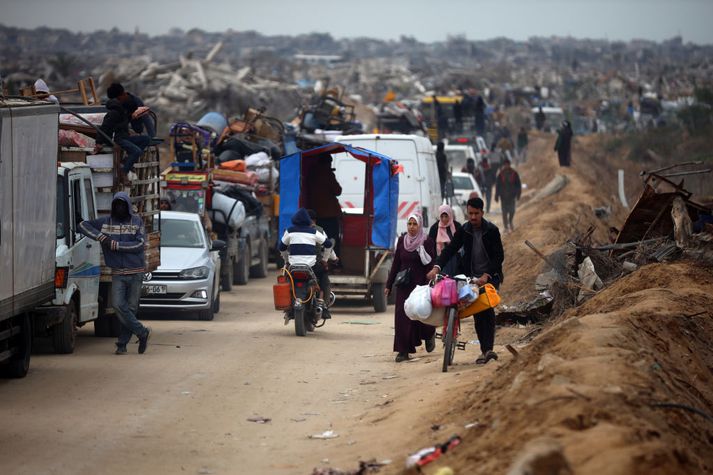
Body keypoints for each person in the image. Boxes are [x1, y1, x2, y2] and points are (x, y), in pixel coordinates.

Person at [427, 197, 504, 365]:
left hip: (489, 277)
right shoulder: (464, 230)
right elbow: (451, 249)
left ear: (482, 213)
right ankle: (485, 350)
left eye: (476, 213)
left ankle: (488, 349)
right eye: (470, 214)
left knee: (487, 310)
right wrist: (437, 267)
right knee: (478, 313)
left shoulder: (492, 231)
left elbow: (499, 257)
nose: (473, 217)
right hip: (470, 277)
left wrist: (487, 275)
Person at [78, 192, 151, 355]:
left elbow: (139, 245)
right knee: (118, 306)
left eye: (122, 205)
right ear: (113, 206)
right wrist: (101, 237)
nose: (119, 207)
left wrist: (116, 245)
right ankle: (142, 331)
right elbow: (82, 226)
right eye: (116, 205)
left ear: (127, 206)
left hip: (136, 272)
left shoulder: (137, 222)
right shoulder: (105, 222)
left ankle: (122, 344)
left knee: (130, 309)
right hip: (118, 272)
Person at [385, 213, 436, 362]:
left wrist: (430, 282)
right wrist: (389, 284)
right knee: (402, 317)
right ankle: (403, 351)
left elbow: (431, 263)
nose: (412, 227)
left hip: (420, 284)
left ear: (419, 225)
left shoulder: (427, 242)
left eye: (415, 224)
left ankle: (429, 334)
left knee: (420, 315)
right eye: (410, 224)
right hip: (404, 285)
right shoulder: (402, 241)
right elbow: (395, 264)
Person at [279, 208, 335, 315]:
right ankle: (324, 305)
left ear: (294, 220)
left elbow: (281, 248)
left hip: (293, 267)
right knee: (324, 279)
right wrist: (324, 260)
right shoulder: (314, 232)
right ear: (309, 221)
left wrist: (286, 261)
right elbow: (328, 244)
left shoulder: (289, 231)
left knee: (287, 281)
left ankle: (288, 305)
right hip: (311, 267)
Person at [95, 97, 150, 184]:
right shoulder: (114, 114)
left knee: (146, 139)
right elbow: (103, 128)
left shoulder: (125, 113)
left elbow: (138, 129)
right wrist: (99, 142)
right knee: (137, 151)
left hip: (124, 137)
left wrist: (137, 119)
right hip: (116, 139)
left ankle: (127, 160)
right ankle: (123, 173)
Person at [305, 157, 343, 258]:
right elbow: (338, 190)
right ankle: (334, 263)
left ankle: (319, 259)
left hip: (316, 213)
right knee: (333, 239)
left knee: (318, 239)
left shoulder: (312, 175)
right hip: (330, 214)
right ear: (328, 163)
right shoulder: (328, 174)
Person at [307, 209, 338, 311]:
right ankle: (324, 305)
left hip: (295, 264)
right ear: (315, 220)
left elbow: (284, 248)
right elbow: (328, 246)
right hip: (314, 264)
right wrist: (327, 260)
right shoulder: (318, 231)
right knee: (325, 281)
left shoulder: (292, 230)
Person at [428, 204, 462, 276]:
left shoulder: (457, 226)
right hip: (441, 260)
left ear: (450, 215)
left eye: (446, 216)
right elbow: (431, 246)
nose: (444, 219)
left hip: (455, 259)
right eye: (442, 216)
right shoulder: (435, 228)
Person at [494, 158, 522, 233]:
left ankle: (510, 221)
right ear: (504, 165)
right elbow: (497, 185)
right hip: (503, 197)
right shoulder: (500, 174)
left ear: (509, 165)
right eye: (505, 165)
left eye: (507, 164)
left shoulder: (514, 173)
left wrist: (518, 194)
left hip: (512, 196)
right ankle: (506, 226)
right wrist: (496, 196)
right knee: (504, 212)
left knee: (512, 211)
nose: (506, 166)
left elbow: (518, 184)